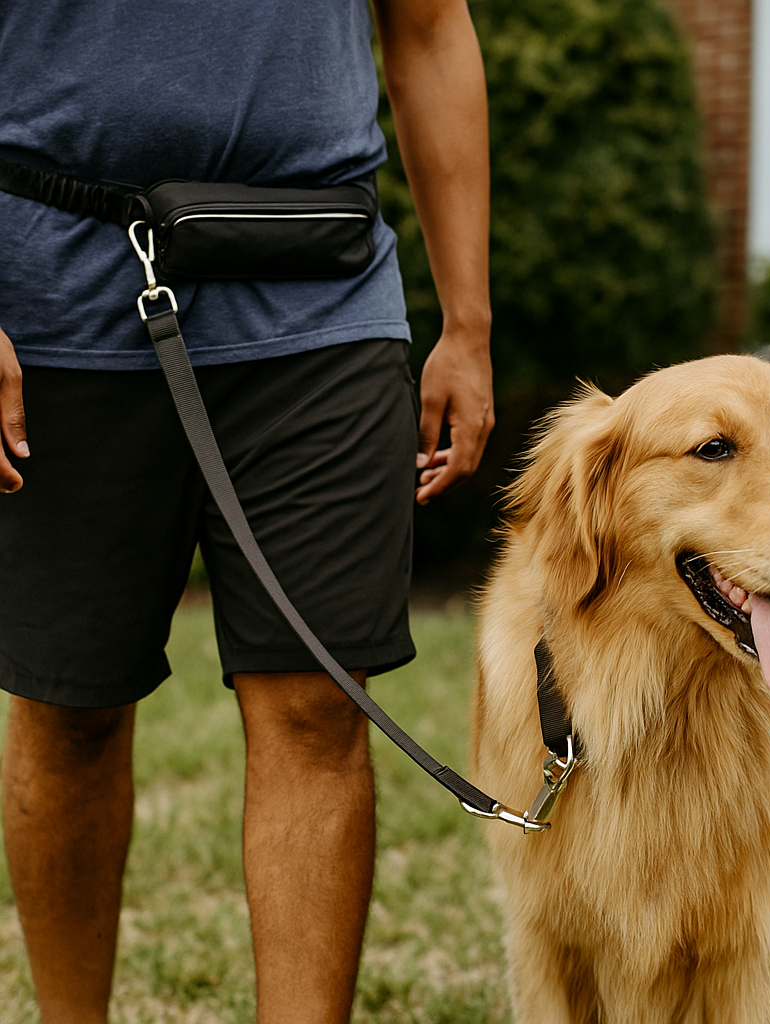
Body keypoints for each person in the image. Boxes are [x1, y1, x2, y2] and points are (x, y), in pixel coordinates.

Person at [0, 0, 492, 1021]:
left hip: (320, 298)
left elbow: (431, 28)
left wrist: (468, 322)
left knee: (317, 701)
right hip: (54, 306)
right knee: (69, 708)